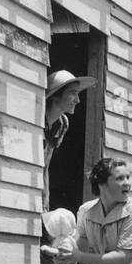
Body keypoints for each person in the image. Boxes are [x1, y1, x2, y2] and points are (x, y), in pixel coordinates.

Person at [43, 71, 94, 209]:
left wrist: (45, 201)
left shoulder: (62, 124)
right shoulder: (38, 119)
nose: (78, 100)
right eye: (72, 93)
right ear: (55, 96)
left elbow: (46, 164)